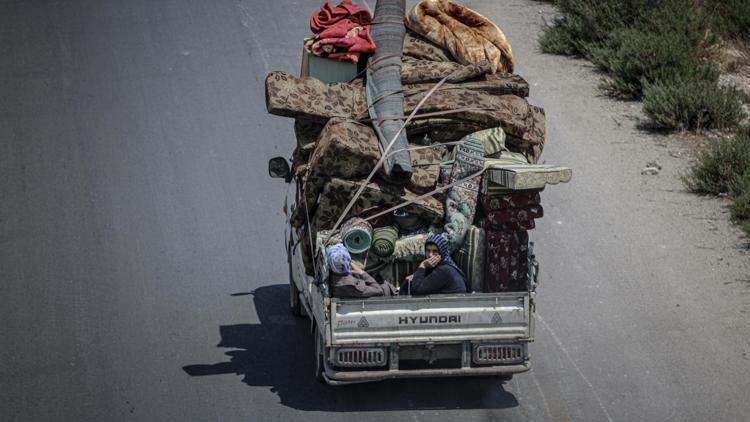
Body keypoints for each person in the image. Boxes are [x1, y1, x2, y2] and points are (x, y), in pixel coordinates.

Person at [401, 234, 467, 295]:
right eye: (428, 250)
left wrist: (422, 265)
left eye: (435, 251)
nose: (430, 255)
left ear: (442, 253)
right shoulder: (435, 268)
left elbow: (416, 291)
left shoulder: (444, 270)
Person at [326, 243, 392, 298]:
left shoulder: (333, 271)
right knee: (387, 288)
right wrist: (362, 272)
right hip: (378, 297)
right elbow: (378, 290)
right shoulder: (352, 286)